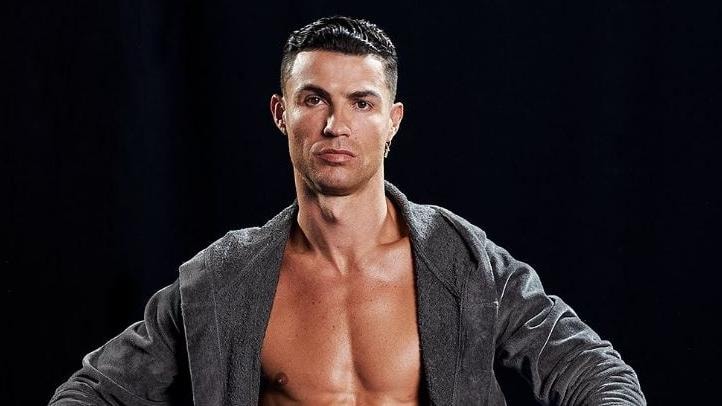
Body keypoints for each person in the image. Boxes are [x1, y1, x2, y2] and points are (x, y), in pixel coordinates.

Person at [50, 16, 646, 405]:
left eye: (362, 103)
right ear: (281, 113)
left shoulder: (464, 263)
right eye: (315, 99)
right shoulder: (220, 280)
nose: (336, 125)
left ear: (393, 121)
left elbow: (593, 370)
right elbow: (95, 393)